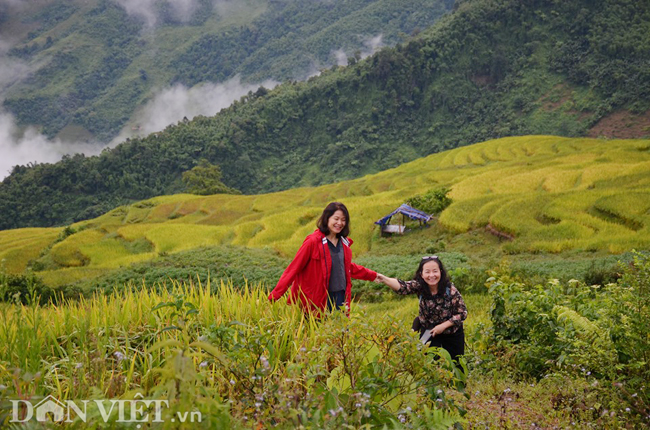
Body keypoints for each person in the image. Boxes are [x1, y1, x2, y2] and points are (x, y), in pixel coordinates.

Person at [268, 202, 377, 315]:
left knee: (341, 331)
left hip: (340, 297)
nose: (340, 223)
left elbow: (346, 267)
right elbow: (293, 269)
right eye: (336, 218)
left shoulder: (344, 243)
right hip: (317, 300)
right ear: (327, 218)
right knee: (319, 331)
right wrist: (273, 297)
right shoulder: (313, 242)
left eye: (343, 220)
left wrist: (377, 277)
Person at [375, 256, 467, 362]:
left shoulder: (450, 289)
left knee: (456, 365)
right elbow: (403, 286)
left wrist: (442, 326)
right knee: (430, 365)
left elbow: (462, 313)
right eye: (427, 272)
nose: (431, 275)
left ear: (441, 272)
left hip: (452, 334)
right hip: (430, 332)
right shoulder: (420, 286)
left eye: (435, 271)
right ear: (421, 274)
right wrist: (384, 279)